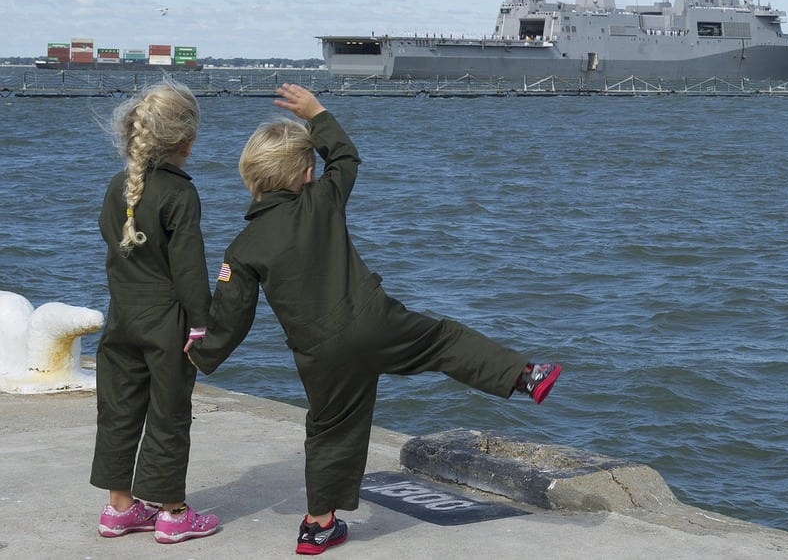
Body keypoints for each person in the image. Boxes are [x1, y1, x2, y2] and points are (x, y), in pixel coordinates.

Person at [188, 83, 562, 556]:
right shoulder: (323, 199)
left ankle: (318, 526)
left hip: (319, 353)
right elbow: (345, 158)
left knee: (329, 428)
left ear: (252, 177)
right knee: (444, 340)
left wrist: (201, 355)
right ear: (306, 172)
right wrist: (318, 113)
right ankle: (526, 377)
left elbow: (231, 318)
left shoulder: (243, 248)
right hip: (374, 322)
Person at [91, 79, 219, 544]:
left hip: (122, 316)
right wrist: (202, 324)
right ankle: (172, 513)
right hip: (168, 322)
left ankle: (120, 508)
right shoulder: (179, 194)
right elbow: (189, 269)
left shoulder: (117, 187)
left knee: (119, 411)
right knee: (168, 415)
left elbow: (115, 251)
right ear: (187, 141)